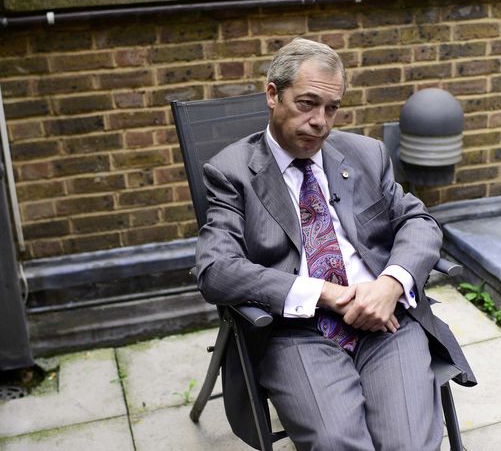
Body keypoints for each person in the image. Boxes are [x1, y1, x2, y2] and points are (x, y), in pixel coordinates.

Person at [196, 38, 476, 450]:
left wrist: (391, 284)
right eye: (307, 103)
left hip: (385, 322)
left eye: (331, 108)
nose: (320, 121)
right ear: (273, 94)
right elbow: (214, 270)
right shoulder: (232, 172)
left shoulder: (364, 155)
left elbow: (419, 220)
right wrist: (324, 294)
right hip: (297, 332)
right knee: (337, 442)